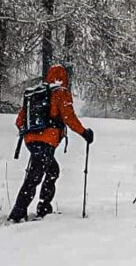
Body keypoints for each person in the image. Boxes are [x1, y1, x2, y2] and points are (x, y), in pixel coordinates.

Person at [8, 64, 93, 222]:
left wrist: (31, 134)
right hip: (46, 141)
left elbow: (19, 121)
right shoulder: (61, 92)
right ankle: (18, 213)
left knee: (52, 170)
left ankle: (43, 207)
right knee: (35, 176)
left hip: (31, 140)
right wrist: (84, 133)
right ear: (64, 77)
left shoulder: (36, 93)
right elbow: (69, 117)